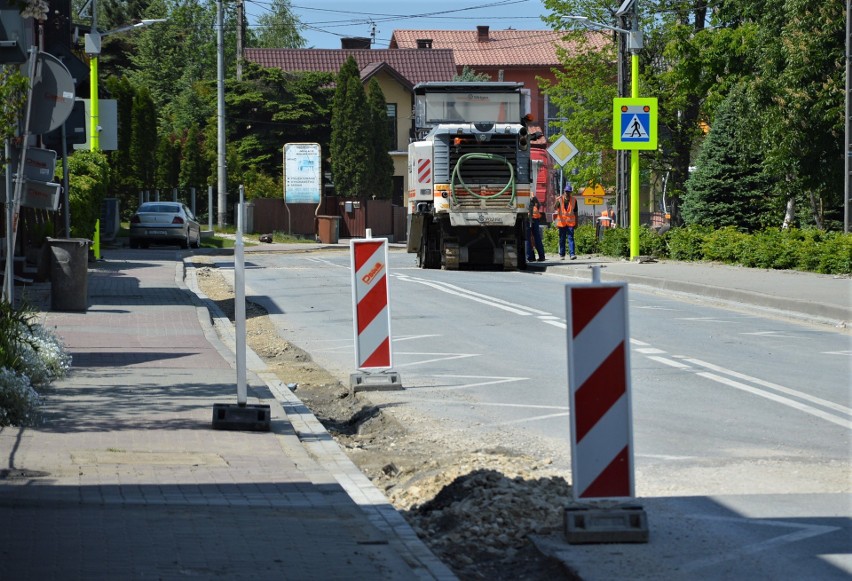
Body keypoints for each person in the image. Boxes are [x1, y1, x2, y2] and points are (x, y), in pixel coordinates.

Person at [553, 183, 577, 260]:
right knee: (562, 239)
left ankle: (572, 254)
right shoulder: (560, 199)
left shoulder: (574, 200)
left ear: (570, 192)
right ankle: (562, 254)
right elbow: (555, 207)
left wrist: (577, 222)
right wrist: (557, 200)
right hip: (562, 223)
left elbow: (576, 212)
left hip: (570, 223)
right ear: (564, 191)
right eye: (566, 191)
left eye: (569, 192)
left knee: (571, 238)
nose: (567, 193)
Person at [526, 194, 546, 262]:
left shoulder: (522, 193)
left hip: (528, 217)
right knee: (537, 237)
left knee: (527, 237)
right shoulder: (532, 194)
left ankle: (529, 257)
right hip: (536, 217)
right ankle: (541, 256)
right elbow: (539, 205)